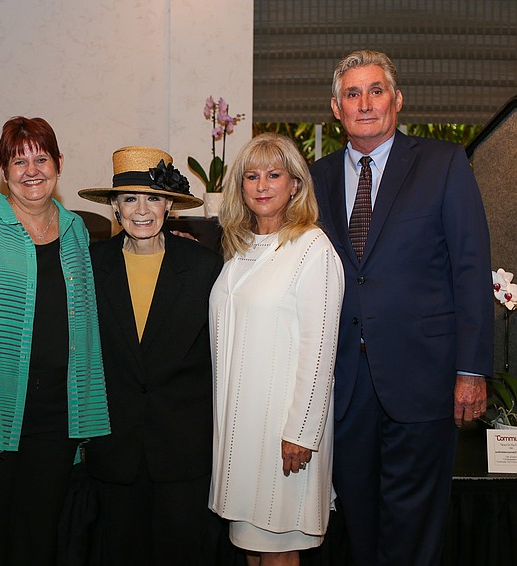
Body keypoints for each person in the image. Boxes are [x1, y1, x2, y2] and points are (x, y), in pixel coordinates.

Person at [310, 50, 492, 565]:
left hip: (424, 378)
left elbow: (471, 268)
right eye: (352, 93)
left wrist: (472, 369)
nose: (364, 103)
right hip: (343, 383)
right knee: (357, 525)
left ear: (398, 101)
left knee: (414, 528)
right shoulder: (313, 177)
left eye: (376, 91)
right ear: (335, 108)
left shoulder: (443, 163)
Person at [0, 116, 110, 565]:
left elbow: (88, 321)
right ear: (3, 169)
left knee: (38, 541)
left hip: (56, 417)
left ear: (58, 164)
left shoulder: (76, 230)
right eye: (19, 161)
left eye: (41, 158)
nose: (32, 170)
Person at [77, 146, 223, 565]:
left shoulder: (205, 268)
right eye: (129, 199)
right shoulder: (90, 266)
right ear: (114, 207)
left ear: (169, 205)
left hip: (183, 453)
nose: (142, 210)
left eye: (153, 198)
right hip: (114, 452)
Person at [209, 133, 344, 565]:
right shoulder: (239, 249)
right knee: (249, 546)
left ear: (295, 185)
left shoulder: (313, 249)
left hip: (284, 436)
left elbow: (320, 349)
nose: (262, 185)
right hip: (240, 430)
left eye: (274, 174)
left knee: (279, 552)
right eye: (252, 175)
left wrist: (301, 431)